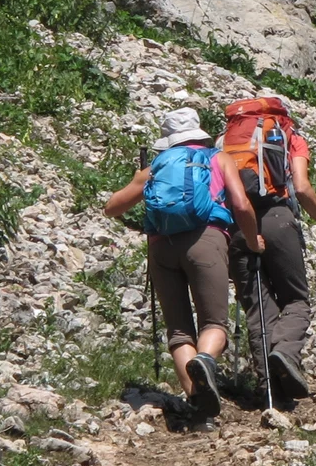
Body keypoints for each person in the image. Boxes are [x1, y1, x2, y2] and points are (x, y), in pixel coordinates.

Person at [104, 107, 264, 417]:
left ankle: (197, 403)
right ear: (198, 133)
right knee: (214, 323)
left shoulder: (155, 167)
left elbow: (111, 207)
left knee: (178, 331)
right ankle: (205, 360)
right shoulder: (218, 158)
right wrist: (253, 240)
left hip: (161, 247)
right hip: (206, 239)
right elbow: (242, 204)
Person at [220, 96, 316, 402]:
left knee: (259, 306)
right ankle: (285, 352)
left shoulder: (225, 140)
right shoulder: (289, 135)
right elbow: (300, 187)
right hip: (277, 218)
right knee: (297, 300)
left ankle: (268, 387)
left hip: (237, 225)